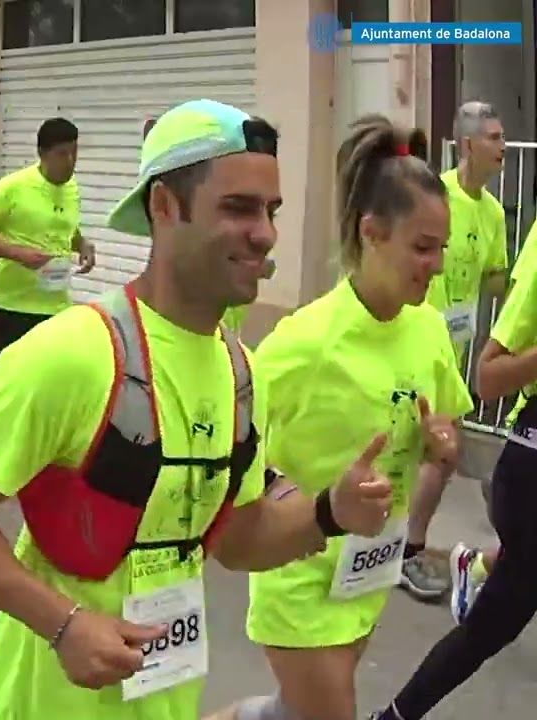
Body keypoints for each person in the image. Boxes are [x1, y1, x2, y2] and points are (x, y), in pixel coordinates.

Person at [0, 99, 393, 720]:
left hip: (165, 700)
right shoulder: (74, 352)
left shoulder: (241, 371)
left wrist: (329, 512)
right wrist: (64, 625)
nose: (266, 233)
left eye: (270, 211)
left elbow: (237, 539)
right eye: (238, 207)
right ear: (164, 207)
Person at [215, 115, 473, 720]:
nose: (435, 265)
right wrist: (292, 500)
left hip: (367, 572)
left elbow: (447, 429)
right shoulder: (304, 342)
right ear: (372, 233)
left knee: (292, 713)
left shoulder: (429, 328)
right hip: (300, 575)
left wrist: (442, 443)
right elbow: (231, 442)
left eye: (442, 248)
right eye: (421, 247)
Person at [370, 192, 537, 720]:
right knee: (492, 626)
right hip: (531, 469)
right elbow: (489, 376)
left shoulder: (492, 207)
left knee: (495, 620)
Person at [396, 100, 510, 602]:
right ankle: (406, 551)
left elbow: (495, 278)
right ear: (468, 146)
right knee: (442, 449)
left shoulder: (490, 211)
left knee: (427, 448)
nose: (503, 148)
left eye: (504, 138)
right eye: (494, 138)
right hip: (421, 337)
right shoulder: (435, 196)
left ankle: (385, 544)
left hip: (455, 345)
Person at [0, 118, 95, 429]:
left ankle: (28, 440)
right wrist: (18, 254)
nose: (71, 161)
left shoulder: (72, 189)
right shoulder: (13, 187)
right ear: (43, 153)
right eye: (63, 154)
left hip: (55, 304)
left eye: (75, 152)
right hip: (12, 304)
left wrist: (83, 244)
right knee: (10, 383)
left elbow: (66, 228)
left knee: (45, 378)